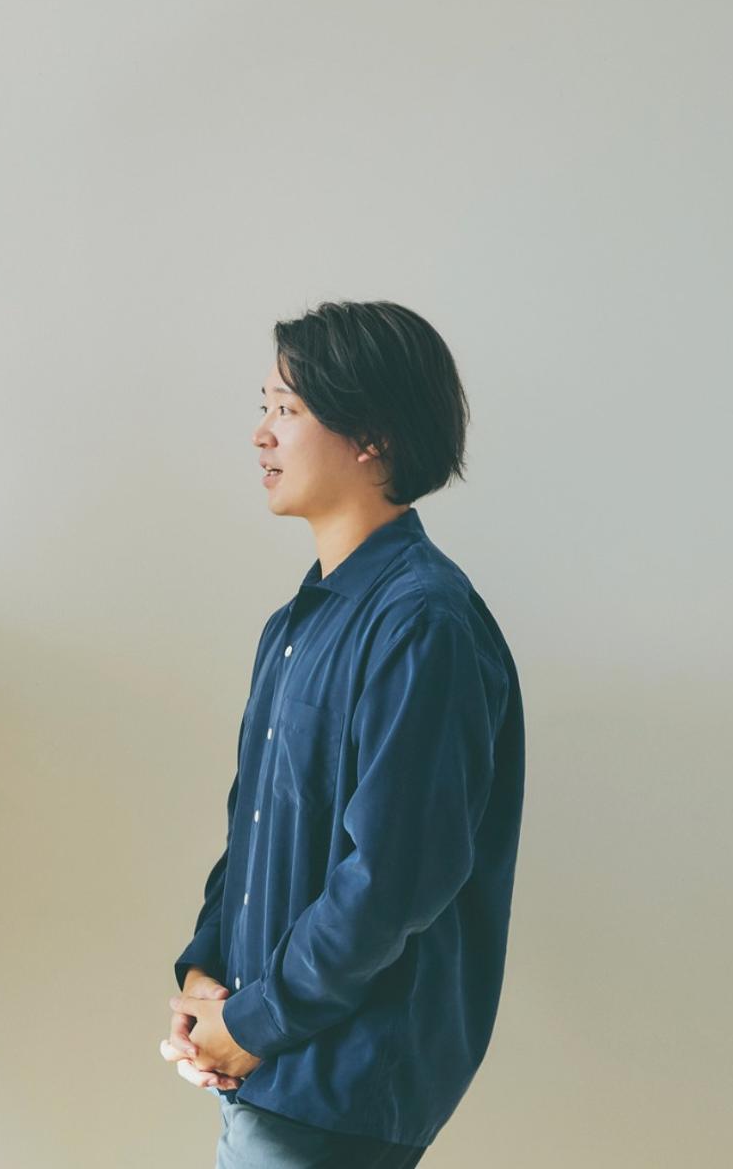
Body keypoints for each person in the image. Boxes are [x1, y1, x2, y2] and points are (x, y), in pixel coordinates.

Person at [160, 300, 524, 1168]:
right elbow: (252, 836)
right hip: (266, 1071)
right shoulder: (296, 625)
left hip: (339, 1090)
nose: (261, 434)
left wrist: (251, 1024)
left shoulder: (423, 624)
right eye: (265, 406)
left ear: (373, 437)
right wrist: (205, 977)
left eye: (287, 409)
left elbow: (395, 878)